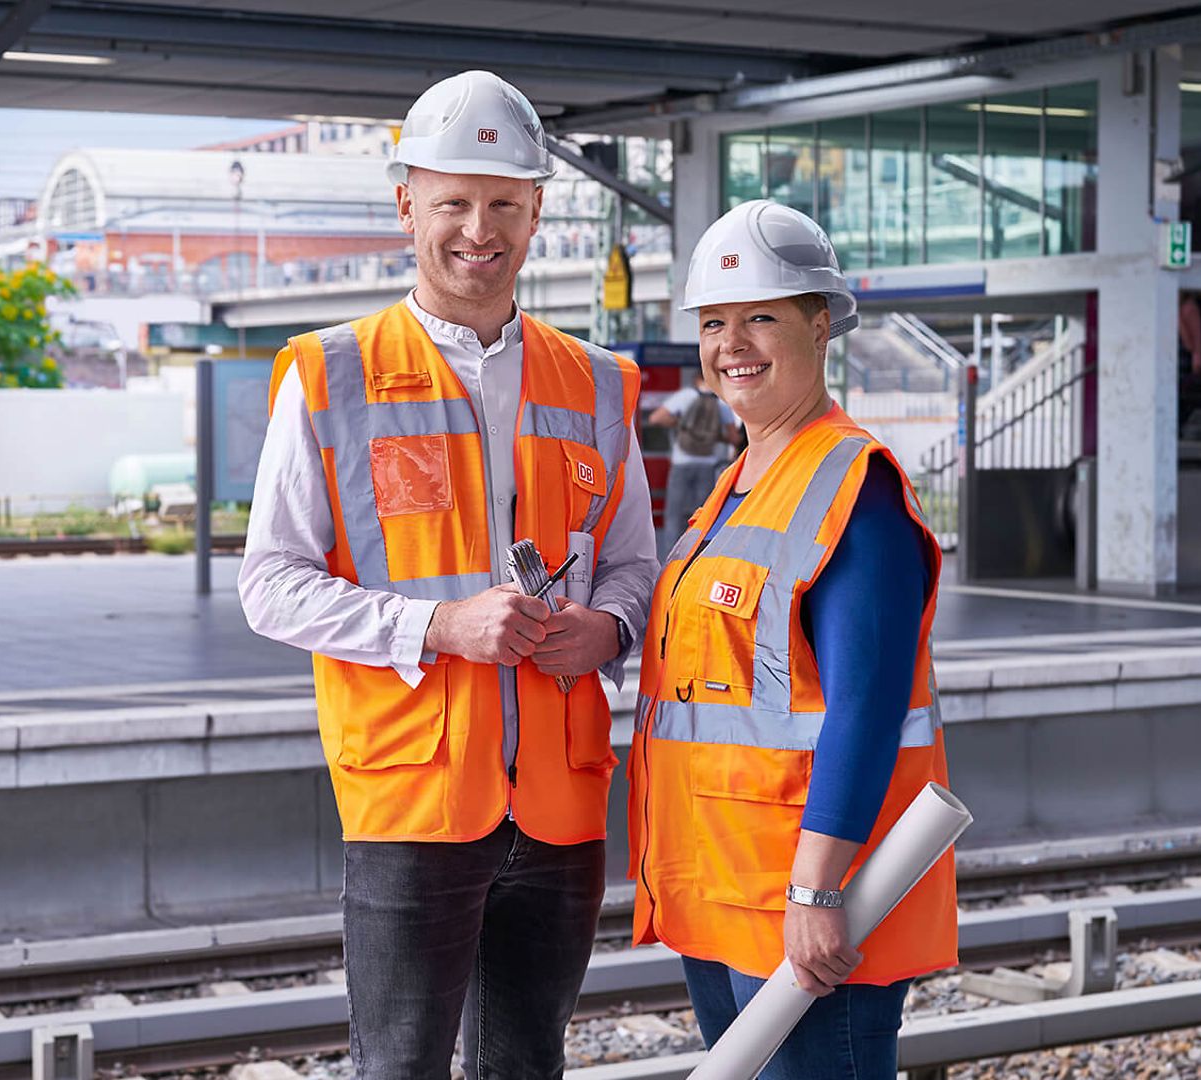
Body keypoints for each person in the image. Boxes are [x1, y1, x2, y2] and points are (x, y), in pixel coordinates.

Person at [239, 70, 659, 1080]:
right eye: (455, 202)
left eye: (504, 203)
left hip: (559, 806)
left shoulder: (598, 383)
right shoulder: (330, 374)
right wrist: (436, 628)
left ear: (536, 212)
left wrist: (609, 631)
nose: (481, 228)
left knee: (529, 1069)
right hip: (413, 800)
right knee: (401, 1070)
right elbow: (270, 581)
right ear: (406, 206)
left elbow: (636, 565)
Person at [626, 199, 957, 1079]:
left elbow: (866, 709)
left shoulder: (856, 486)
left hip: (806, 903)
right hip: (722, 895)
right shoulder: (734, 485)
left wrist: (816, 892)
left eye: (763, 317)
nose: (734, 343)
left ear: (821, 325)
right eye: (715, 323)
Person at [647, 371, 738, 553]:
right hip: (707, 464)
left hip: (681, 463)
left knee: (674, 514)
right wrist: (715, 436)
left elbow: (655, 418)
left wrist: (680, 425)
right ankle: (697, 554)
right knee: (703, 515)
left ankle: (671, 558)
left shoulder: (685, 396)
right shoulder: (722, 402)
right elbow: (734, 438)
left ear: (696, 380)